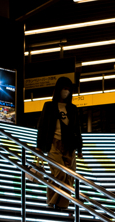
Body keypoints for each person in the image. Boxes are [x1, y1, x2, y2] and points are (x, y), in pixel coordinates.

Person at [36, 77, 83, 212]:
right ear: (58, 89)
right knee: (59, 173)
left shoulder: (73, 108)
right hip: (53, 143)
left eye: (68, 89)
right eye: (64, 88)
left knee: (70, 175)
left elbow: (77, 129)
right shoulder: (49, 106)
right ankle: (51, 202)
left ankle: (62, 205)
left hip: (69, 145)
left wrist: (79, 148)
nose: (66, 92)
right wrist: (39, 146)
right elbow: (42, 126)